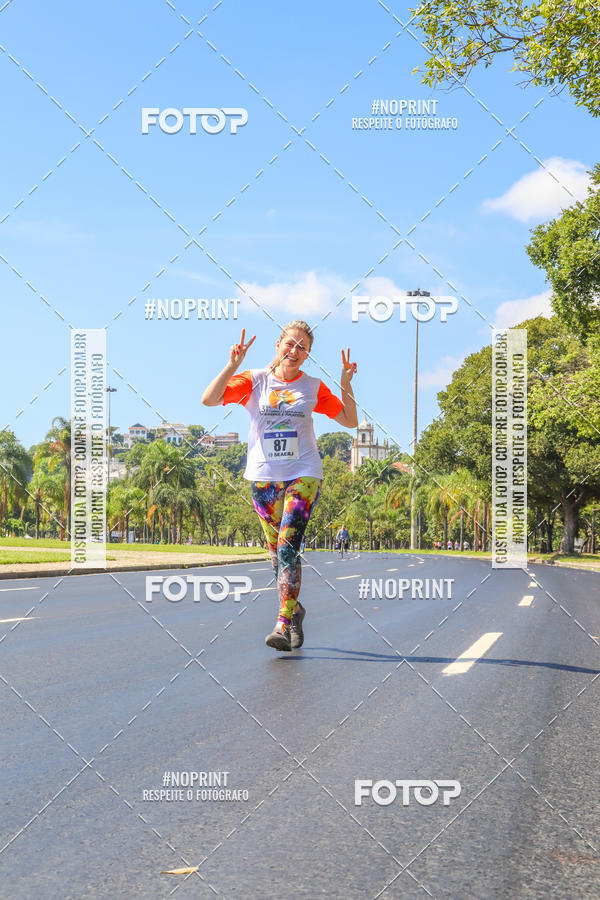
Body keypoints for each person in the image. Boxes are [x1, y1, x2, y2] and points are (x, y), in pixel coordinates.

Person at [202, 323, 357, 652]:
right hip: (263, 477)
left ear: (308, 354)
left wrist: (345, 385)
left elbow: (348, 420)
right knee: (276, 555)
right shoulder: (254, 380)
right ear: (278, 344)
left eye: (302, 347)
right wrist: (233, 364)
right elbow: (209, 399)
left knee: (288, 547)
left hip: (304, 472)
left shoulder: (313, 387)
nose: (295, 351)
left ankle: (283, 623)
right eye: (290, 343)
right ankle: (296, 611)